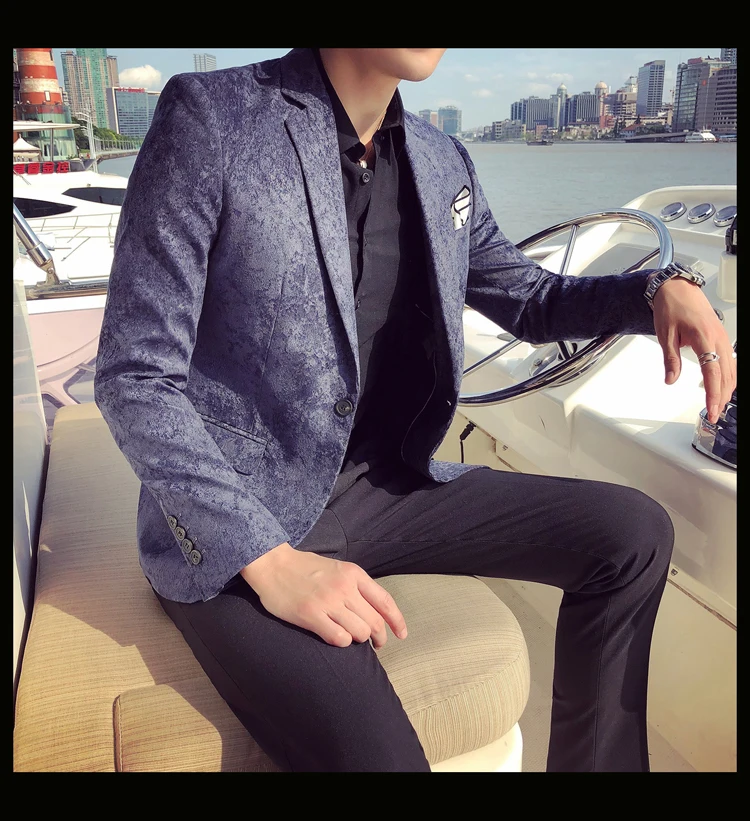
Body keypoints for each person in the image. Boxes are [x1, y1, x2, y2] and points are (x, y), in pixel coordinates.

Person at [94, 48, 736, 772]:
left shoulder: (440, 159)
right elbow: (135, 375)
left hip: (385, 487)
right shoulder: (213, 118)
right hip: (249, 515)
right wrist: (271, 563)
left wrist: (654, 291)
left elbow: (530, 301)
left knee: (632, 535)